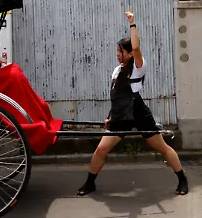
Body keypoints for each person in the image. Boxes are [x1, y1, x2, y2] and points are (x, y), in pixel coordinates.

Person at [76, 11, 189, 197]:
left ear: (129, 54)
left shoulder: (138, 67)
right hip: (121, 114)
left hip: (138, 111)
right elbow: (116, 97)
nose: (118, 54)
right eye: (117, 51)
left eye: (121, 51)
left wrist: (132, 24)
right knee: (100, 150)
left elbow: (136, 48)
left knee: (162, 148)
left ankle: (182, 179)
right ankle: (90, 183)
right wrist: (110, 117)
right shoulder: (116, 71)